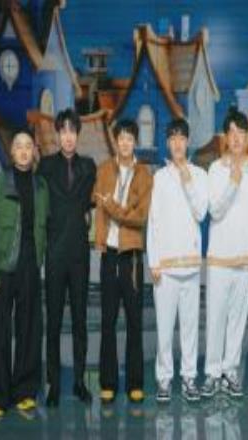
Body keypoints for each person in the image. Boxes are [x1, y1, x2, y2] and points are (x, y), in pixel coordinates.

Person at [0, 130, 48, 419]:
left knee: (29, 330)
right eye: (18, 145)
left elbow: (45, 226)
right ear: (12, 152)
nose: (23, 150)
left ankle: (25, 392)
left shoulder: (41, 187)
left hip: (30, 266)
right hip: (2, 267)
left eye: (28, 145)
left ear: (34, 151)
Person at [201, 108, 248, 398]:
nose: (237, 137)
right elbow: (214, 210)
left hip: (245, 259)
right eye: (232, 132)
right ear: (226, 137)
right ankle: (212, 373)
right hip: (219, 258)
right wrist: (234, 181)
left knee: (238, 319)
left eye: (242, 132)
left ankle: (230, 371)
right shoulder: (215, 170)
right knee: (215, 317)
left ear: (247, 136)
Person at [147, 118, 208, 403]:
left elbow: (201, 212)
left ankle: (188, 378)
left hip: (191, 265)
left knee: (190, 328)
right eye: (172, 139)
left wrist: (187, 179)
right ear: (167, 143)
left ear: (188, 141)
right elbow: (154, 221)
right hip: (166, 267)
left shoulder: (200, 174)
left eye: (181, 138)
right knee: (164, 327)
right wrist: (154, 261)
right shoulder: (159, 177)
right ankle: (163, 379)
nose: (177, 143)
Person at [38, 109, 96, 407]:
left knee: (80, 321)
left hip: (79, 256)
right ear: (58, 134)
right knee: (53, 322)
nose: (68, 136)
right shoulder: (46, 166)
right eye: (64, 131)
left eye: (73, 131)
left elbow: (91, 203)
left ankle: (79, 382)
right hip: (55, 254)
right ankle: (53, 385)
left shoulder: (89, 166)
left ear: (78, 135)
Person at [93, 119, 152, 404]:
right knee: (107, 320)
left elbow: (140, 217)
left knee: (134, 321)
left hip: (132, 257)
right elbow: (96, 202)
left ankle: (135, 383)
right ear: (115, 142)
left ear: (135, 142)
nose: (125, 143)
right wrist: (113, 210)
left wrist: (112, 206)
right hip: (109, 254)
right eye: (121, 138)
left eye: (130, 138)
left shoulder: (144, 174)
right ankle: (108, 382)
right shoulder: (104, 169)